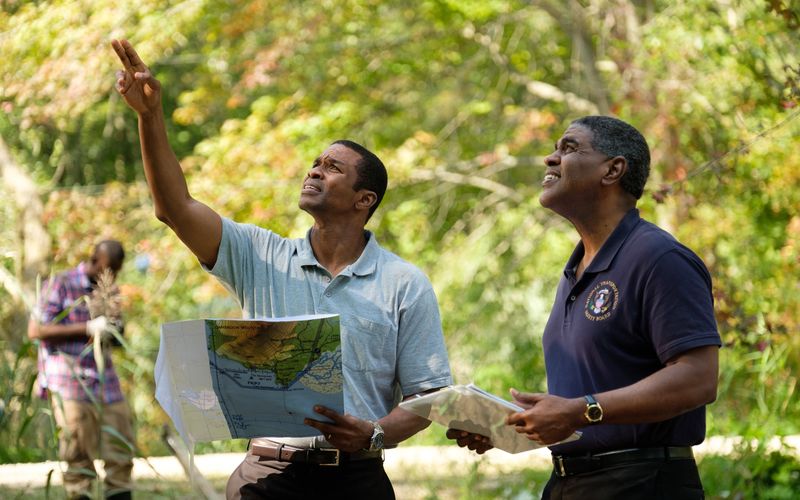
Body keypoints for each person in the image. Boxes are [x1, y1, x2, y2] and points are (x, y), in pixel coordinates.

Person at [111, 39, 452, 499]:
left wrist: (374, 433)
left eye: (331, 168)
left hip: (357, 480)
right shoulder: (257, 254)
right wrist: (149, 118)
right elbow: (175, 208)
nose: (314, 171)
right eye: (314, 163)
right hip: (266, 475)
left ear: (363, 199)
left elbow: (429, 398)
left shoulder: (404, 284)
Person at [448, 116, 721, 499]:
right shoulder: (575, 270)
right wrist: (512, 424)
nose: (550, 158)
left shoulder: (659, 258)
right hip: (570, 483)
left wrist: (582, 410)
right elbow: (587, 397)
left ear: (613, 170)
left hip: (642, 483)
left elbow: (698, 377)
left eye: (569, 148)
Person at [28, 240, 134, 500]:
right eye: (108, 269)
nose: (110, 276)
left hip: (105, 381)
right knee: (78, 455)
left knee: (120, 445)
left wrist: (114, 329)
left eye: (116, 272)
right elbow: (37, 330)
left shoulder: (108, 289)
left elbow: (117, 338)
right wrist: (86, 327)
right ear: (95, 259)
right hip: (69, 381)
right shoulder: (62, 283)